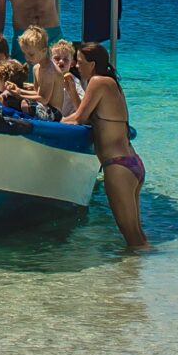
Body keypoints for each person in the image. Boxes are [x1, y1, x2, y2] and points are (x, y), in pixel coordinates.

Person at [64, 41, 148, 251]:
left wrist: (51, 121)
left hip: (117, 167)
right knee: (137, 238)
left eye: (80, 62)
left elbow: (79, 119)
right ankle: (138, 278)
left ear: (92, 64)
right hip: (131, 163)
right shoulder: (110, 83)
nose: (76, 65)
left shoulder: (98, 82)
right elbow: (85, 114)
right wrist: (72, 90)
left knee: (133, 240)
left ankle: (130, 279)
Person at [19, 26, 75, 117]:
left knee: (24, 104)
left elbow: (44, 99)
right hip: (42, 106)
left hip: (54, 113)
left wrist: (19, 93)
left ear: (44, 51)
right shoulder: (36, 68)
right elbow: (37, 92)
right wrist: (19, 90)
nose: (27, 58)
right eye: (25, 54)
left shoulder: (49, 71)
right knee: (11, 99)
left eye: (31, 54)